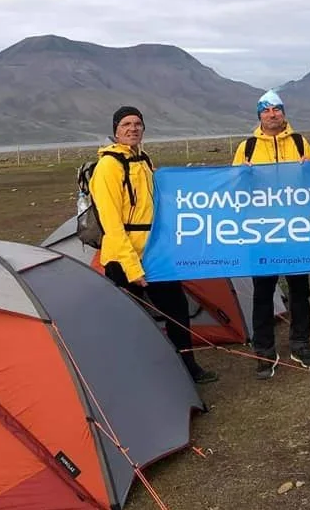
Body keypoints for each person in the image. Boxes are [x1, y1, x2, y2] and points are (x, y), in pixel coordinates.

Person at [91, 105, 219, 384]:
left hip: (154, 251)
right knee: (130, 318)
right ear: (115, 131)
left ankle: (187, 366)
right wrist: (132, 266)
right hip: (123, 257)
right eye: (126, 124)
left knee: (176, 310)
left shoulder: (144, 160)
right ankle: (133, 373)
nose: (133, 128)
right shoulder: (108, 167)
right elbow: (111, 223)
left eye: (137, 124)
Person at [232, 90, 310, 379]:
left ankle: (300, 344)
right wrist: (241, 177)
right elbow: (234, 191)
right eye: (266, 110)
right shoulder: (246, 148)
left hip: (296, 230)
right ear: (259, 115)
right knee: (262, 293)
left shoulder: (299, 142)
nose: (272, 114)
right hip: (262, 233)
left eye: (277, 109)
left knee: (299, 290)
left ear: (284, 113)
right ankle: (264, 352)